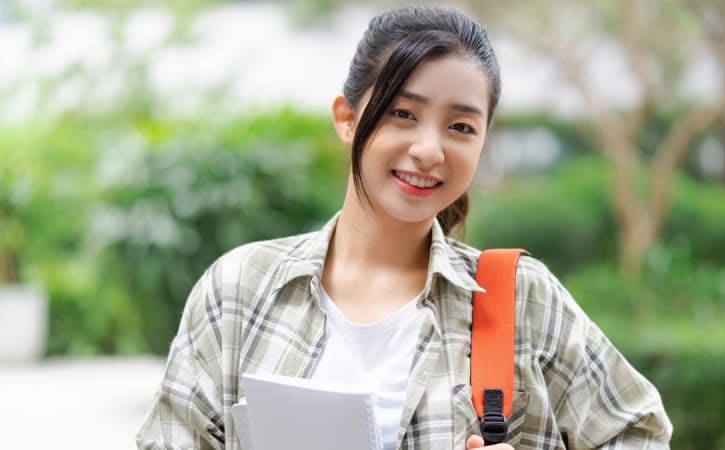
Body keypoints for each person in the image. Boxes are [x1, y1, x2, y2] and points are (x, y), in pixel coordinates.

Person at [136, 5, 672, 450]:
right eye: (403, 114)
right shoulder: (240, 290)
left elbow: (641, 433)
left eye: (461, 126)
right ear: (347, 118)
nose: (430, 150)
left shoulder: (518, 297)